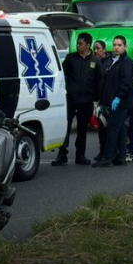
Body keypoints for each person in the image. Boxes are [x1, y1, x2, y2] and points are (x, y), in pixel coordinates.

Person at [52, 33, 101, 167]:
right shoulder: (70, 58)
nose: (78, 46)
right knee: (66, 128)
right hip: (70, 99)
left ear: (88, 45)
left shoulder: (95, 61)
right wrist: (66, 89)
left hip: (86, 100)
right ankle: (62, 154)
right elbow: (62, 75)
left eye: (80, 43)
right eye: (77, 43)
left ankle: (80, 155)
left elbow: (99, 81)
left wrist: (96, 98)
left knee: (82, 129)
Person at [94, 36, 133, 167]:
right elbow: (109, 83)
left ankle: (107, 157)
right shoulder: (113, 61)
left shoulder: (127, 62)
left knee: (112, 129)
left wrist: (118, 97)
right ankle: (121, 157)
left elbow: (126, 83)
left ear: (125, 47)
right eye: (115, 45)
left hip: (121, 102)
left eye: (119, 45)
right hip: (112, 101)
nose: (116, 47)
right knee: (121, 128)